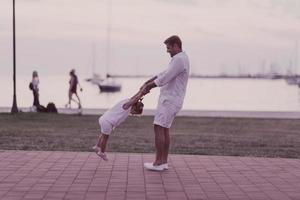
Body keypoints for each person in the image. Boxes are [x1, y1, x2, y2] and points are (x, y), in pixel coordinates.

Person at [141, 35, 190, 171]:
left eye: (168, 48)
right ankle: (163, 162)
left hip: (170, 100)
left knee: (158, 127)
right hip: (173, 99)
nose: (167, 51)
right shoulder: (180, 59)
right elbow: (164, 73)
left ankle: (158, 162)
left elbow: (166, 77)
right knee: (164, 128)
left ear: (176, 45)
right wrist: (149, 80)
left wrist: (149, 86)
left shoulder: (179, 59)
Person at [93, 89, 146, 161]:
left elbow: (135, 96)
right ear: (134, 107)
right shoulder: (127, 106)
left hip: (104, 119)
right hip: (108, 122)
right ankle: (102, 152)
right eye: (134, 113)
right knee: (105, 138)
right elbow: (136, 98)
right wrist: (142, 93)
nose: (132, 114)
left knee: (103, 135)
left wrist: (141, 92)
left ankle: (97, 146)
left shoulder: (128, 100)